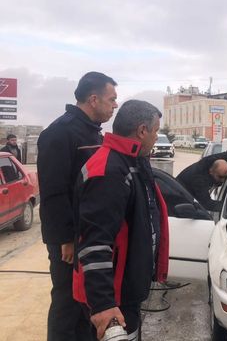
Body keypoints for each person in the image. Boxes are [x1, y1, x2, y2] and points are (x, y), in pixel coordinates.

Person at [73, 100, 169, 340]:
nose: (157, 137)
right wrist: (104, 304)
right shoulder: (109, 170)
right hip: (112, 295)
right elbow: (95, 243)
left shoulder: (133, 161)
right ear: (142, 131)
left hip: (126, 289)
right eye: (156, 130)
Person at [37, 71, 118, 341]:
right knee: (67, 303)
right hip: (69, 239)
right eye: (111, 99)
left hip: (89, 232)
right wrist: (64, 239)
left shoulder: (93, 132)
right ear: (94, 99)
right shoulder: (60, 133)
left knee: (85, 301)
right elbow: (53, 193)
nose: (114, 105)